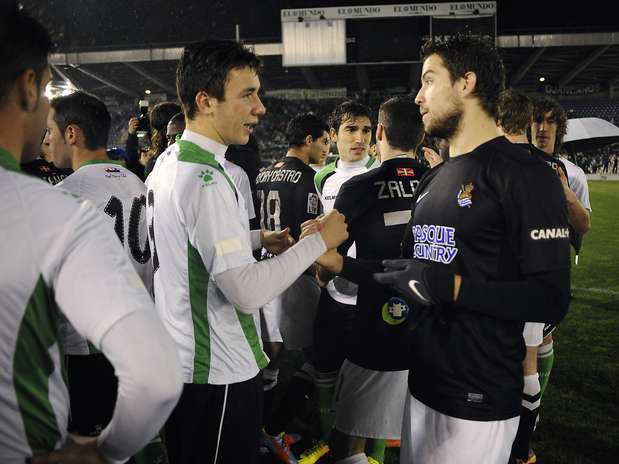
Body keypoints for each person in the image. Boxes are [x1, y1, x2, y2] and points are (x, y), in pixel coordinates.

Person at [145, 40, 348, 464]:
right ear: (205, 101)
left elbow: (183, 244)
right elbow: (246, 292)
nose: (261, 108)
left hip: (181, 362)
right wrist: (319, 242)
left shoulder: (170, 161)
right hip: (215, 372)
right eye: (247, 94)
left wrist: (258, 240)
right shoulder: (205, 179)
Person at [370, 34, 571, 463]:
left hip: (477, 401)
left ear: (466, 83)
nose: (419, 96)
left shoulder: (524, 174)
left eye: (428, 81)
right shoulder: (434, 178)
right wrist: (329, 261)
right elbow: (410, 270)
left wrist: (454, 287)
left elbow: (551, 298)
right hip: (423, 384)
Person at [0, 4, 182, 464]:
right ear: (28, 86)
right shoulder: (60, 206)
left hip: (86, 345)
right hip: (111, 337)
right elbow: (155, 376)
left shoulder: (69, 194)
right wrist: (106, 453)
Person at [315, 96, 428, 464]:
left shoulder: (360, 187)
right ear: (422, 134)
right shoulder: (438, 182)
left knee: (351, 439)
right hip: (433, 324)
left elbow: (330, 256)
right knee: (422, 432)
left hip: (375, 326)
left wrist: (325, 264)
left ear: (380, 131)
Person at [44, 90, 154, 439]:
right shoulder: (139, 183)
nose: (47, 140)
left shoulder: (66, 194)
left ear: (72, 134)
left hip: (90, 348)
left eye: (51, 131)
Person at [256, 113, 330, 463]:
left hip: (260, 272)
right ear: (310, 140)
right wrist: (321, 269)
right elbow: (308, 234)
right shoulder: (309, 178)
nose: (326, 149)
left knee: (270, 356)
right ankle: (275, 426)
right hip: (294, 276)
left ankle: (262, 428)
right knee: (321, 354)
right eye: (324, 142)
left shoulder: (262, 174)